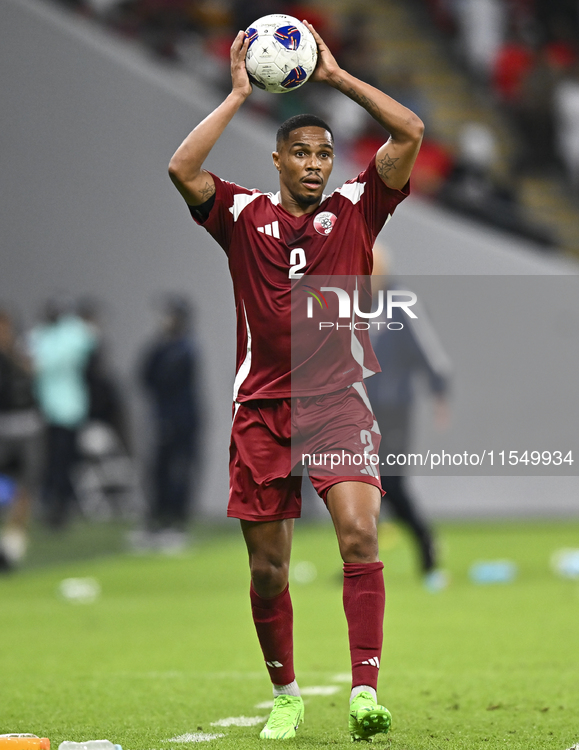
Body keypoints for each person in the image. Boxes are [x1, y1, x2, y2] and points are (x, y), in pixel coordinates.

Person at [168, 21, 423, 742]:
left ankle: (364, 694)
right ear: (277, 158)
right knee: (269, 572)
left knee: (358, 538)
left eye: (323, 154)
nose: (314, 164)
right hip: (261, 410)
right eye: (301, 153)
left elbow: (408, 132)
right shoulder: (240, 215)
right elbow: (181, 170)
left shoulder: (356, 208)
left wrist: (337, 79)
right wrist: (236, 93)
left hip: (336, 401)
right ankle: (284, 694)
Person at [366, 249, 452, 591]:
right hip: (358, 409)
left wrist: (439, 391)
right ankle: (359, 566)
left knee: (391, 483)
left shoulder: (401, 302)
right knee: (361, 487)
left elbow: (428, 350)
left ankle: (426, 546)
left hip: (395, 408)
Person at [137, 295, 202, 551]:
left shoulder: (185, 348)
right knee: (158, 471)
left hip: (182, 421)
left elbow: (167, 379)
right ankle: (158, 520)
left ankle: (175, 522)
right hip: (163, 418)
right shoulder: (161, 347)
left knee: (180, 472)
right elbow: (144, 376)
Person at [29, 299, 96, 528]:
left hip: (68, 410)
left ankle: (63, 507)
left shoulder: (72, 335)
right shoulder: (43, 334)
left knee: (64, 462)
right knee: (50, 463)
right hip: (48, 410)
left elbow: (45, 362)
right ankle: (53, 505)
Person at [0, 308, 43, 571]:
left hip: (27, 430)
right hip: (2, 430)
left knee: (24, 489)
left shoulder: (21, 355)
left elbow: (34, 385)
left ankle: (13, 548)